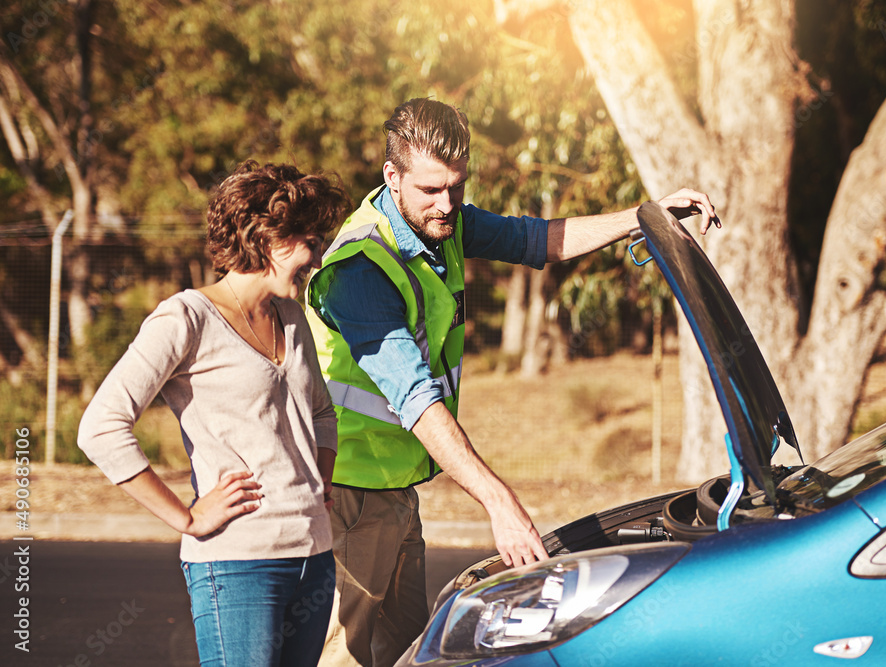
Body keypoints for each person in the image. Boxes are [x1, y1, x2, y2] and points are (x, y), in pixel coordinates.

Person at [306, 97, 720, 667]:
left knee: (408, 651)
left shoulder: (440, 223)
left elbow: (536, 240)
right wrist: (499, 502)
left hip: (396, 489)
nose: (448, 204)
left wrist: (644, 216)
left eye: (457, 185)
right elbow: (415, 399)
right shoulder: (360, 268)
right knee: (346, 657)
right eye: (431, 189)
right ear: (391, 177)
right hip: (349, 493)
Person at [78, 160, 352, 667]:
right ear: (270, 238)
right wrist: (186, 517)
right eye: (310, 241)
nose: (317, 256)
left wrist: (322, 482)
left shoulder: (292, 317)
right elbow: (100, 428)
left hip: (313, 560)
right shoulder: (186, 317)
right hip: (238, 565)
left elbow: (322, 414)